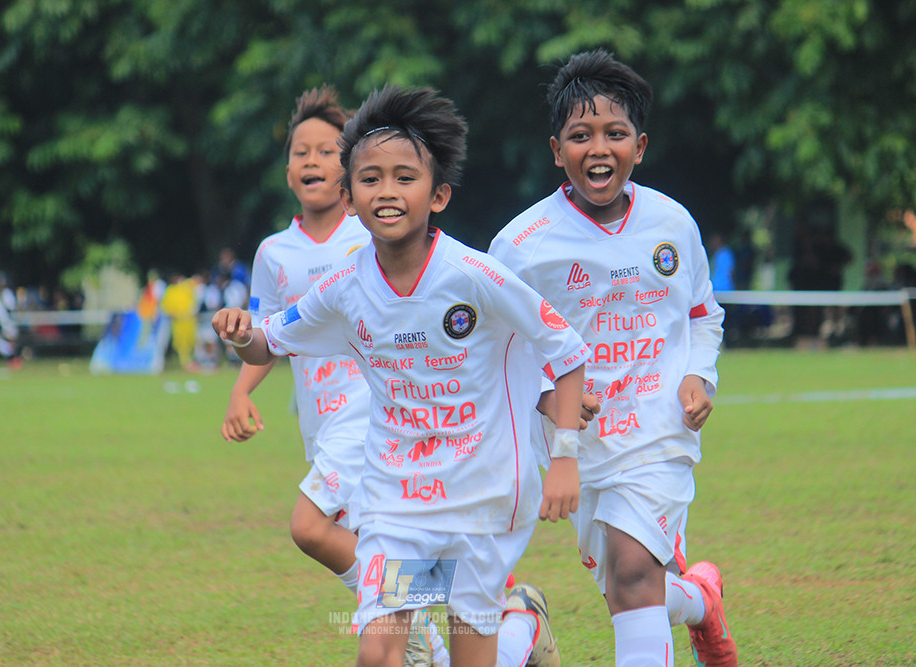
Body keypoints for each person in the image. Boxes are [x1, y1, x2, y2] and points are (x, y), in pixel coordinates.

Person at [214, 85, 590, 667]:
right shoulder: (343, 288)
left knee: (471, 654)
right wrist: (242, 333)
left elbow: (565, 350)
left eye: (404, 177)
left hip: (484, 496)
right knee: (379, 653)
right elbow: (270, 340)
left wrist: (564, 458)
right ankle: (497, 622)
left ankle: (522, 627)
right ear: (349, 196)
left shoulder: (475, 275)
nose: (386, 191)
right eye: (370, 178)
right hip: (397, 500)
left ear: (437, 195)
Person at [489, 49, 737, 666]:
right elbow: (496, 350)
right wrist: (549, 396)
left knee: (632, 573)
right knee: (633, 589)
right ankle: (702, 600)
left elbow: (702, 315)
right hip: (576, 449)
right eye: (581, 135)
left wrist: (696, 376)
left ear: (640, 146)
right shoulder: (520, 246)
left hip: (658, 434)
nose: (598, 149)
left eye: (615, 133)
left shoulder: (673, 224)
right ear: (557, 150)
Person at [221, 86, 448, 665]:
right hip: (320, 423)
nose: (312, 160)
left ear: (348, 171)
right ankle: (484, 617)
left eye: (326, 151)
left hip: (372, 411)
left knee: (310, 527)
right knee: (374, 538)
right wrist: (241, 392)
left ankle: (415, 619)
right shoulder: (274, 254)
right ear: (288, 170)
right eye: (301, 152)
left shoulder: (371, 233)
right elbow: (270, 334)